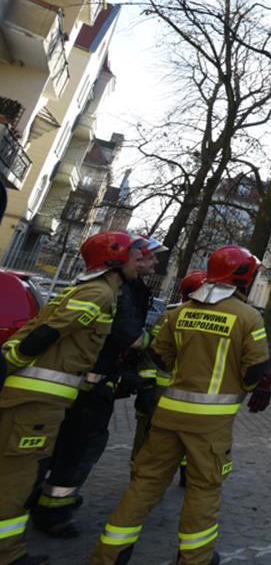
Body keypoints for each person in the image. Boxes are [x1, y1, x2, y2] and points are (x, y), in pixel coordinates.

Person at [90, 246, 271, 565]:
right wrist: (243, 386)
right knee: (204, 489)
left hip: (168, 414)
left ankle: (110, 554)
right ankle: (195, 558)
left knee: (146, 483)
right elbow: (255, 370)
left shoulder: (179, 312)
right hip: (210, 425)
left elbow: (160, 357)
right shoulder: (248, 316)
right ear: (243, 277)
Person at [0, 231, 140, 565]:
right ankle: (8, 554)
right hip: (37, 401)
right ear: (116, 258)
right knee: (17, 477)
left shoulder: (91, 289)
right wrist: (8, 364)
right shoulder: (99, 293)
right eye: (136, 255)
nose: (142, 262)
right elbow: (48, 333)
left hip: (34, 396)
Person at [31, 236, 168, 539]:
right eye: (149, 257)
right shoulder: (118, 290)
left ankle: (42, 499)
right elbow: (130, 337)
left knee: (62, 445)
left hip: (83, 384)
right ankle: (54, 511)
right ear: (135, 259)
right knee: (80, 448)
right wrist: (159, 342)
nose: (155, 263)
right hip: (91, 387)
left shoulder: (118, 286)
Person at [130, 270, 207, 485]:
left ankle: (144, 477)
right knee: (156, 437)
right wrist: (147, 385)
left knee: (164, 438)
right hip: (167, 392)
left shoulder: (174, 316)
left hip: (172, 391)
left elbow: (149, 354)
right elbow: (151, 353)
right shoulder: (172, 316)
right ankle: (140, 476)